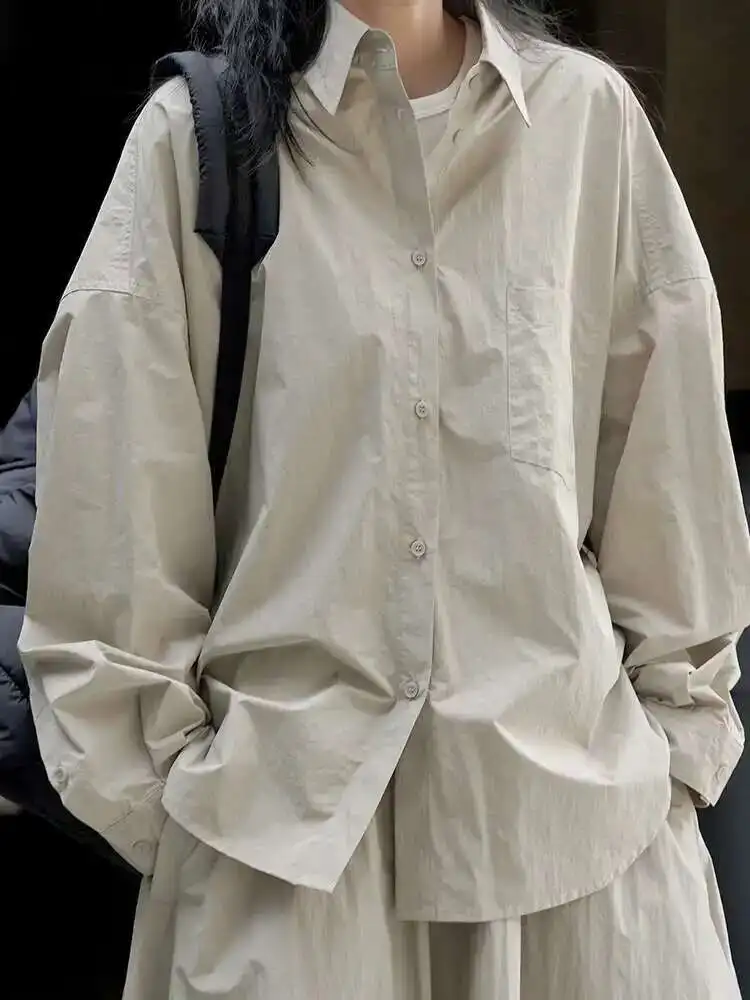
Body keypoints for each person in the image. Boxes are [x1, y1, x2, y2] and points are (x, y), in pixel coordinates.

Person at [19, 0, 750, 996]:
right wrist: (192, 827)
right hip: (285, 879)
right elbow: (110, 537)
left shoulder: (589, 125)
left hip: (589, 875)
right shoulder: (195, 143)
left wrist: (671, 767)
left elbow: (674, 498)